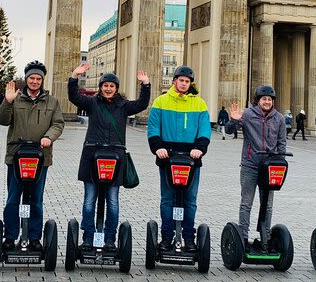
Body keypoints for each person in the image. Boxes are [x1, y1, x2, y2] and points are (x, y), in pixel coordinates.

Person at [69, 63, 150, 252]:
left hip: (115, 156)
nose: (108, 88)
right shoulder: (92, 103)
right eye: (105, 85)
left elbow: (141, 104)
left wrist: (145, 85)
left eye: (111, 86)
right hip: (92, 155)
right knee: (90, 199)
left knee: (112, 200)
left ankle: (110, 239)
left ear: (116, 89)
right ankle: (88, 237)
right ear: (100, 87)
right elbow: (74, 97)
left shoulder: (123, 106)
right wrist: (74, 76)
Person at [0, 61, 65, 251]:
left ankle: (34, 237)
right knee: (13, 199)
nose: (35, 82)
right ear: (26, 79)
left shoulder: (51, 101)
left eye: (38, 79)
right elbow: (2, 120)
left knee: (36, 199)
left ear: (42, 80)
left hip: (40, 157)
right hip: (16, 156)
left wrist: (48, 138)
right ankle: (10, 236)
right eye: (31, 78)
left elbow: (58, 124)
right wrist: (7, 102)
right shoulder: (15, 98)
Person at [147, 65, 211, 251]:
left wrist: (199, 148)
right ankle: (167, 237)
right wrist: (158, 147)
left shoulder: (199, 104)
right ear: (174, 81)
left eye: (187, 81)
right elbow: (153, 128)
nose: (183, 84)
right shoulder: (161, 101)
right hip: (168, 157)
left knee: (190, 200)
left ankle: (189, 238)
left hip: (192, 158)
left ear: (191, 83)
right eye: (181, 80)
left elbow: (205, 130)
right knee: (167, 199)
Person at [226, 85, 287, 251]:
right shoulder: (247, 114)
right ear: (258, 100)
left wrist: (280, 161)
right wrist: (234, 120)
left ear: (273, 101)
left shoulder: (279, 118)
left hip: (270, 166)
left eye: (269, 99)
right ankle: (243, 239)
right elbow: (229, 131)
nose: (267, 102)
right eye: (264, 99)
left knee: (267, 204)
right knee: (247, 202)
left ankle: (265, 239)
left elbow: (282, 142)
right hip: (250, 164)